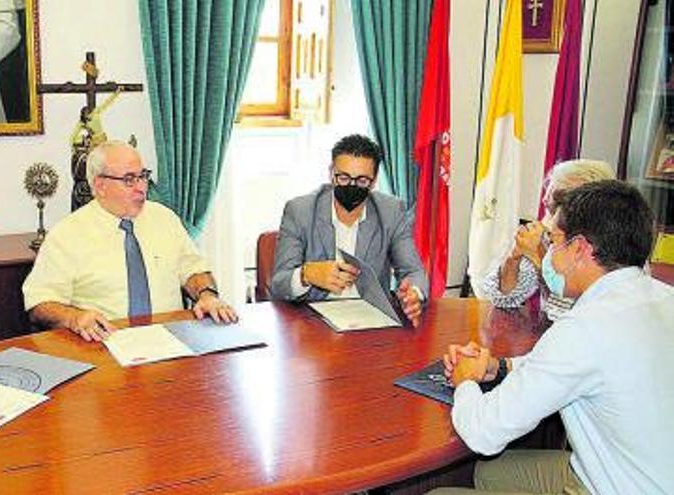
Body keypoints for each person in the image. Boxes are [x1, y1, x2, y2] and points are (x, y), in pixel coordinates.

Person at [434, 181, 674, 495]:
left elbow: (483, 433)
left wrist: (465, 381)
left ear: (579, 249)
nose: (547, 252)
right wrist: (500, 366)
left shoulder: (585, 328)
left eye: (553, 239)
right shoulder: (662, 296)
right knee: (490, 474)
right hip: (643, 474)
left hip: (613, 486)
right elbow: (580, 366)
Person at [22, 141, 238, 342]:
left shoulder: (165, 219)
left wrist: (207, 295)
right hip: (103, 343)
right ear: (100, 186)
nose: (141, 187)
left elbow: (194, 270)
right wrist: (74, 318)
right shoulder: (67, 235)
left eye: (143, 176)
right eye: (129, 179)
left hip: (170, 340)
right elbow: (40, 302)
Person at [270, 134, 428, 326]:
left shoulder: (391, 211)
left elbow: (414, 271)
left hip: (371, 323)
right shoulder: (300, 211)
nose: (351, 186)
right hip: (311, 324)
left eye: (362, 181)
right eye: (343, 177)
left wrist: (414, 293)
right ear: (331, 173)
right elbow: (279, 283)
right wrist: (306, 274)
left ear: (374, 180)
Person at [481, 159, 614, 321]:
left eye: (558, 198)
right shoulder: (546, 236)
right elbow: (503, 299)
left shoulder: (610, 245)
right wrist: (513, 257)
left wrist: (538, 255)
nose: (545, 200)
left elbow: (567, 312)